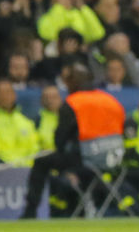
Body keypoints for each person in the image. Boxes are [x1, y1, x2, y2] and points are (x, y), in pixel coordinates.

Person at [21, 62, 126, 218]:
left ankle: (30, 212)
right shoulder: (111, 100)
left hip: (86, 161)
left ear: (71, 82)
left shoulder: (73, 103)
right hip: (115, 161)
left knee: (42, 162)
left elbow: (60, 141)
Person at [0, 79, 40, 167]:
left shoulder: (27, 121)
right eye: (0, 93)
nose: (5, 96)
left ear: (15, 95)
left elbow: (35, 148)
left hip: (28, 169)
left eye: (8, 92)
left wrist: (29, 166)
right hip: (1, 169)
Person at [36, 85, 61, 151]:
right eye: (46, 98)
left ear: (60, 98)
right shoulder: (37, 119)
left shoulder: (68, 118)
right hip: (45, 154)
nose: (50, 101)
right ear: (41, 100)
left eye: (54, 97)